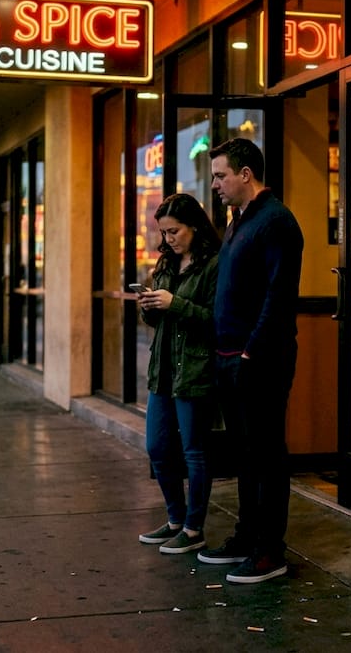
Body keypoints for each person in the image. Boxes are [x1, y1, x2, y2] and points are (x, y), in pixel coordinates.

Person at [196, 137, 304, 585]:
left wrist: (249, 351)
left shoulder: (276, 221)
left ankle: (269, 551)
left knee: (266, 456)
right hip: (229, 359)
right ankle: (246, 536)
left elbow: (279, 298)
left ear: (246, 174)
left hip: (259, 360)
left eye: (221, 175)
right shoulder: (238, 221)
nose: (216, 184)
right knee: (245, 455)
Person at [135, 193, 222, 555]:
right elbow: (156, 320)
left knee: (194, 452)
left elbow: (218, 321)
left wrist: (175, 303)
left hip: (197, 367)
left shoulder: (214, 265)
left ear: (195, 227)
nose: (169, 239)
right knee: (156, 446)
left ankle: (193, 528)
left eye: (175, 231)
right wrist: (150, 306)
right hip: (165, 368)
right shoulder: (167, 263)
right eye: (164, 233)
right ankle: (175, 518)